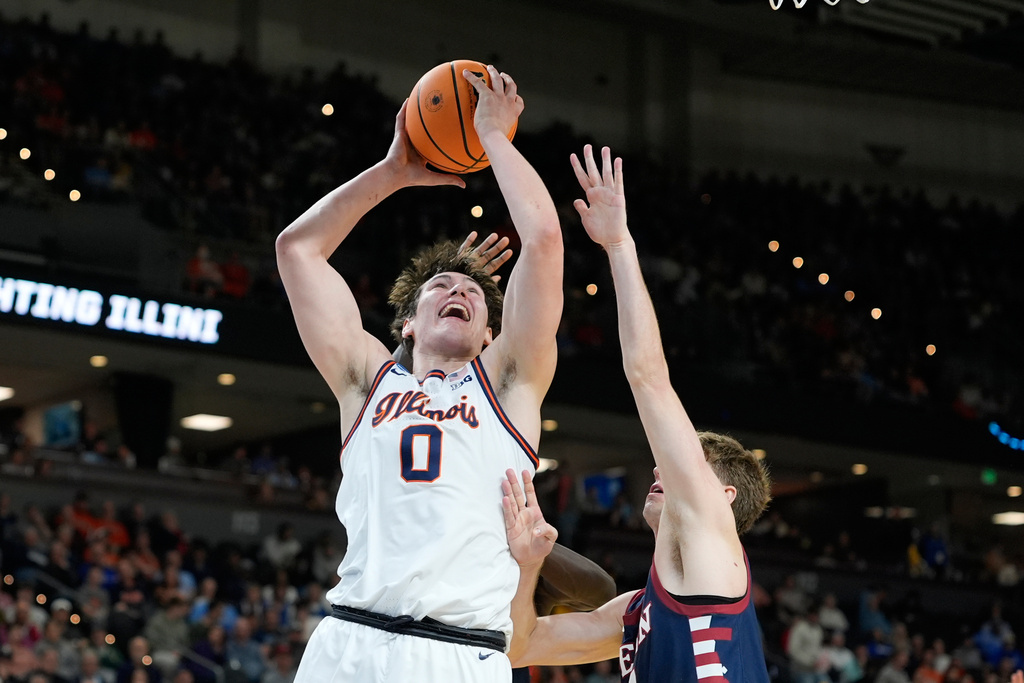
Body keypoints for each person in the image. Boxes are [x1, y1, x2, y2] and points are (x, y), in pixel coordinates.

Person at [276, 65, 563, 682]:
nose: (458, 288)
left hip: (460, 652)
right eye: (441, 285)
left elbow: (542, 242)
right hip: (349, 642)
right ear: (406, 323)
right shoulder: (367, 383)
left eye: (473, 292)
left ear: (492, 334)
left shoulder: (509, 383)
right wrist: (393, 174)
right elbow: (297, 250)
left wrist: (494, 137)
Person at [501, 145, 772, 682]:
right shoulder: (637, 610)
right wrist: (528, 567)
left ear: (723, 497)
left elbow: (648, 377)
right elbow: (519, 646)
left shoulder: (711, 538)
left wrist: (619, 244)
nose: (659, 470)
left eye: (690, 465)